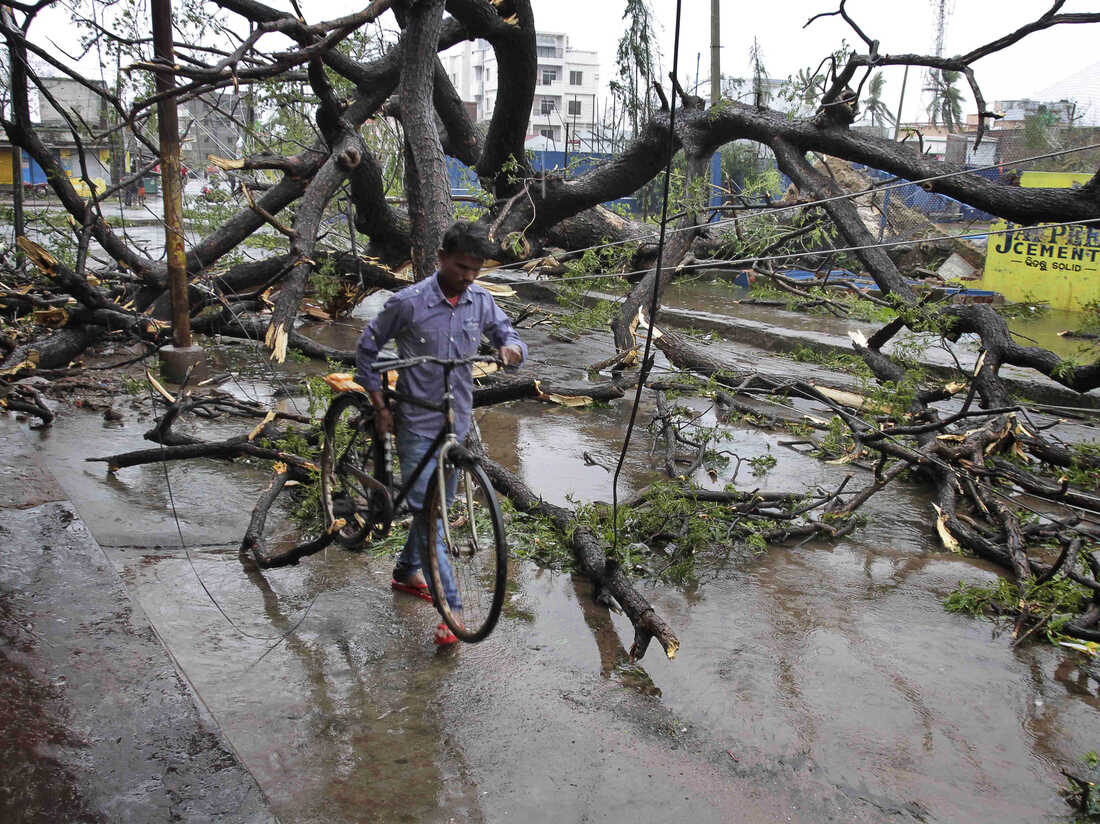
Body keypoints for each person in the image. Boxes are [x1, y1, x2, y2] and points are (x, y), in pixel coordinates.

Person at [354, 221, 526, 645]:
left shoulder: (481, 301)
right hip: (415, 419)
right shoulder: (407, 303)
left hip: (458, 420)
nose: (468, 276)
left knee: (436, 506)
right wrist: (379, 406)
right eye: (462, 267)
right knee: (429, 514)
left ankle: (405, 572)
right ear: (441, 257)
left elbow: (509, 335)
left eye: (476, 269)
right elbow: (367, 349)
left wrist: (510, 350)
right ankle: (453, 608)